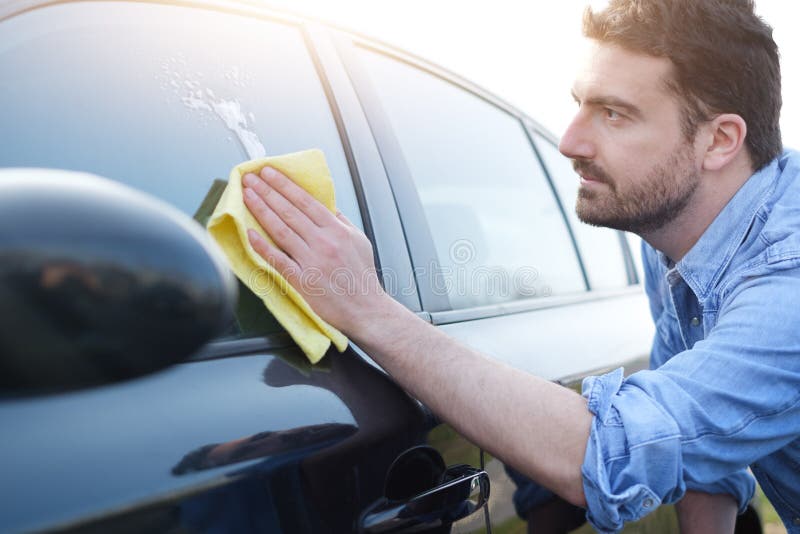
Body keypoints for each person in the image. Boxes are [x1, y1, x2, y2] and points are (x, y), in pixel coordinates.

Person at [239, 0, 800, 531]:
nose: (570, 140)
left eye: (614, 114)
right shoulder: (677, 232)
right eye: (580, 103)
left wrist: (369, 310)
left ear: (720, 140)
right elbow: (700, 449)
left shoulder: (787, 278)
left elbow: (621, 450)